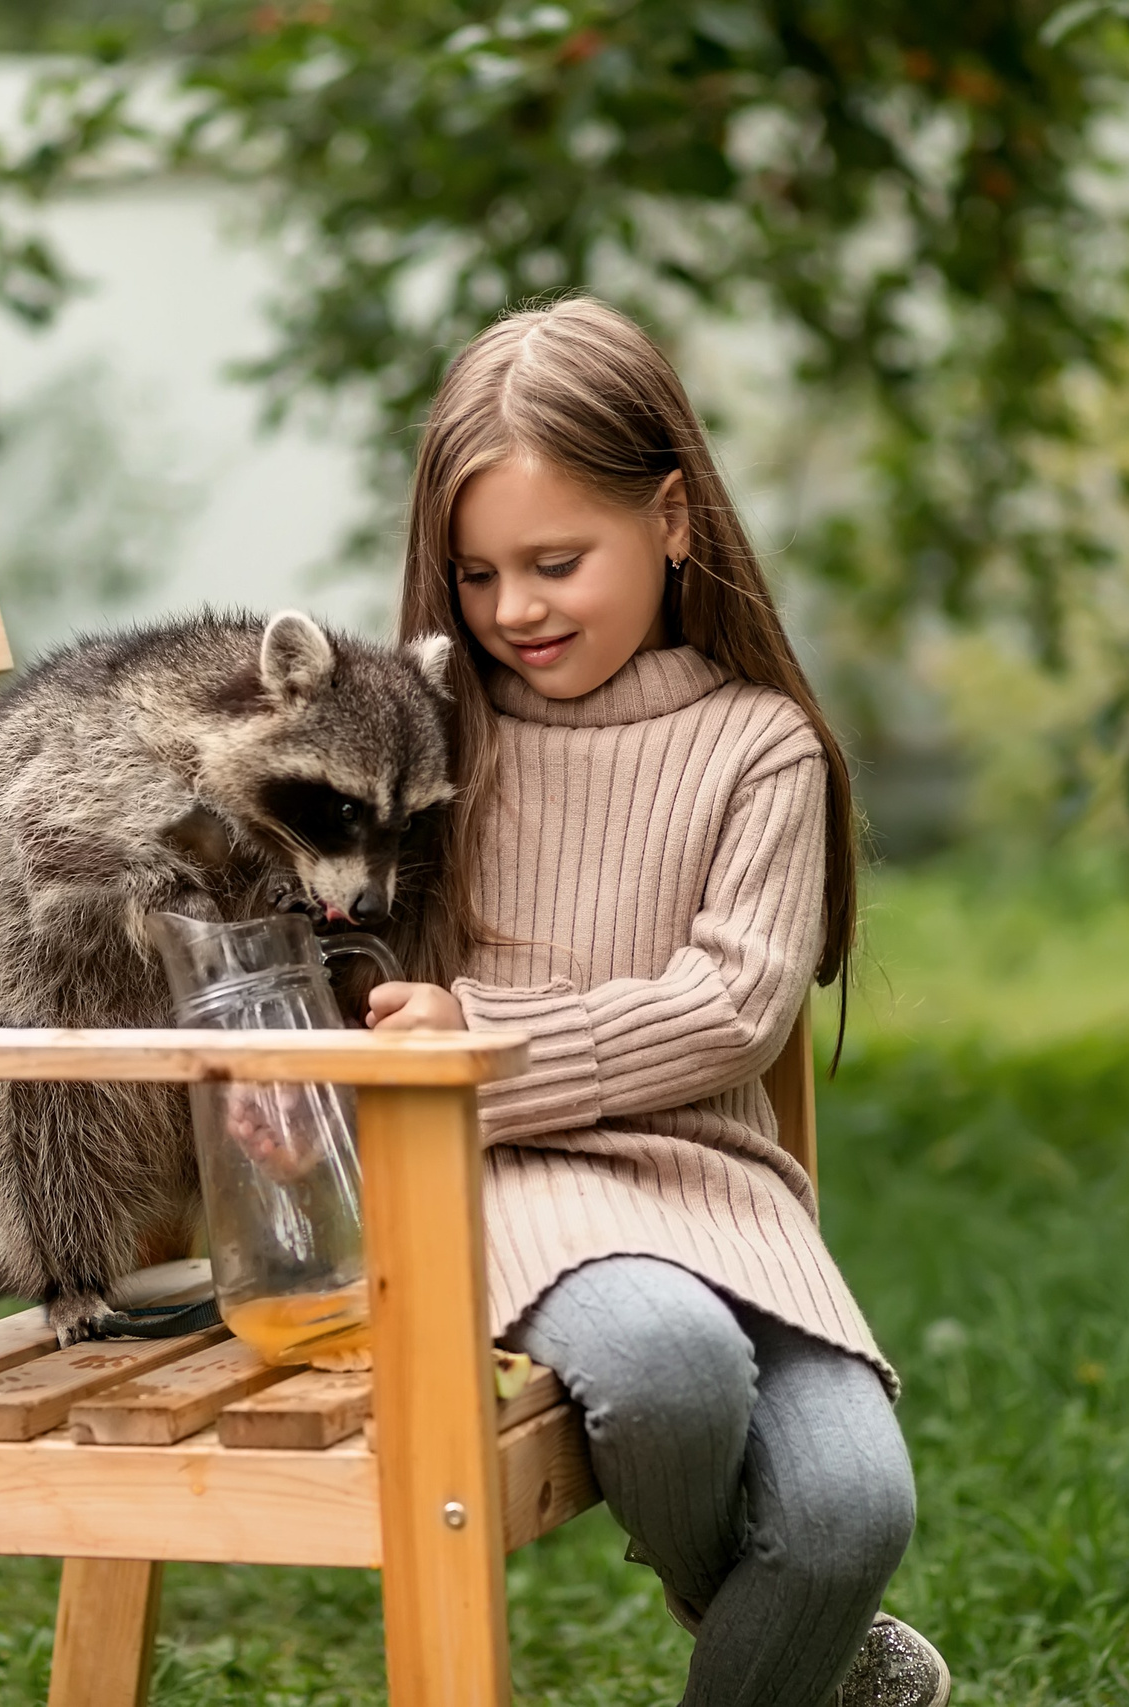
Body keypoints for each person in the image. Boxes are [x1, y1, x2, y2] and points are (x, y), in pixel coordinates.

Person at [363, 296, 948, 1707]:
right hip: (495, 1181)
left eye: (556, 563)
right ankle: (743, 1605)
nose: (515, 611)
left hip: (715, 1189)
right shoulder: (432, 736)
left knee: (854, 1516)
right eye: (480, 574)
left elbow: (732, 1010)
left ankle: (796, 1634)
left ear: (673, 519)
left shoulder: (761, 749)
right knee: (669, 1360)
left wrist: (489, 1040)